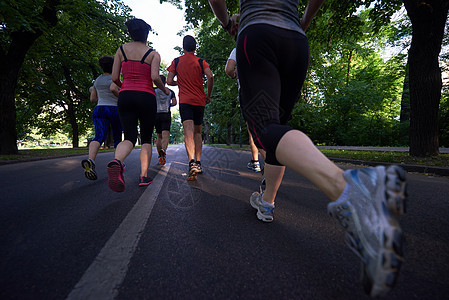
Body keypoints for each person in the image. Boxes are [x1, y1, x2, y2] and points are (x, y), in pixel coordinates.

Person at [208, 0, 408, 298]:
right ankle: (266, 201)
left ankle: (352, 190)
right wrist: (304, 20)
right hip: (295, 41)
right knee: (280, 130)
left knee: (265, 131)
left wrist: (227, 23)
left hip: (257, 33)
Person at [109, 18, 170, 192]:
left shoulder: (121, 50)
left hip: (126, 95)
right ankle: (144, 176)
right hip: (146, 97)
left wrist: (126, 88)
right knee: (145, 138)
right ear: (147, 35)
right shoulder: (153, 54)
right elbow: (155, 77)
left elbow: (114, 78)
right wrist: (164, 90)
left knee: (128, 136)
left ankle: (117, 162)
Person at [167, 35, 214, 181]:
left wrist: (179, 82)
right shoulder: (201, 62)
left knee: (188, 131)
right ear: (195, 47)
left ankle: (191, 163)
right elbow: (210, 77)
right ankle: (198, 163)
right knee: (198, 132)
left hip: (185, 101)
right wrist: (208, 95)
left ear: (183, 47)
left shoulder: (176, 61)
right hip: (199, 100)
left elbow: (169, 80)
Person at [82, 56, 122, 180]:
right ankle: (117, 163)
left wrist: (103, 96)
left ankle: (91, 160)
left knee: (98, 136)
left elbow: (93, 99)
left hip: (100, 109)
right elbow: (115, 90)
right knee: (117, 139)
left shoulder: (97, 80)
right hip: (114, 109)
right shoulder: (115, 79)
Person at [225, 47, 261, 172]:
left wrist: (235, 75)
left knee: (253, 130)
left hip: (247, 93)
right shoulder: (265, 45)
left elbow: (229, 69)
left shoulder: (239, 48)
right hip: (267, 91)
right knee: (268, 127)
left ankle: (257, 162)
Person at [155, 75, 177, 165]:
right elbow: (175, 102)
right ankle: (163, 151)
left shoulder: (154, 90)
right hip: (166, 114)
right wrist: (168, 105)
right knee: (165, 136)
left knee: (159, 136)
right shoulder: (170, 91)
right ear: (164, 82)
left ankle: (160, 156)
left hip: (156, 114)